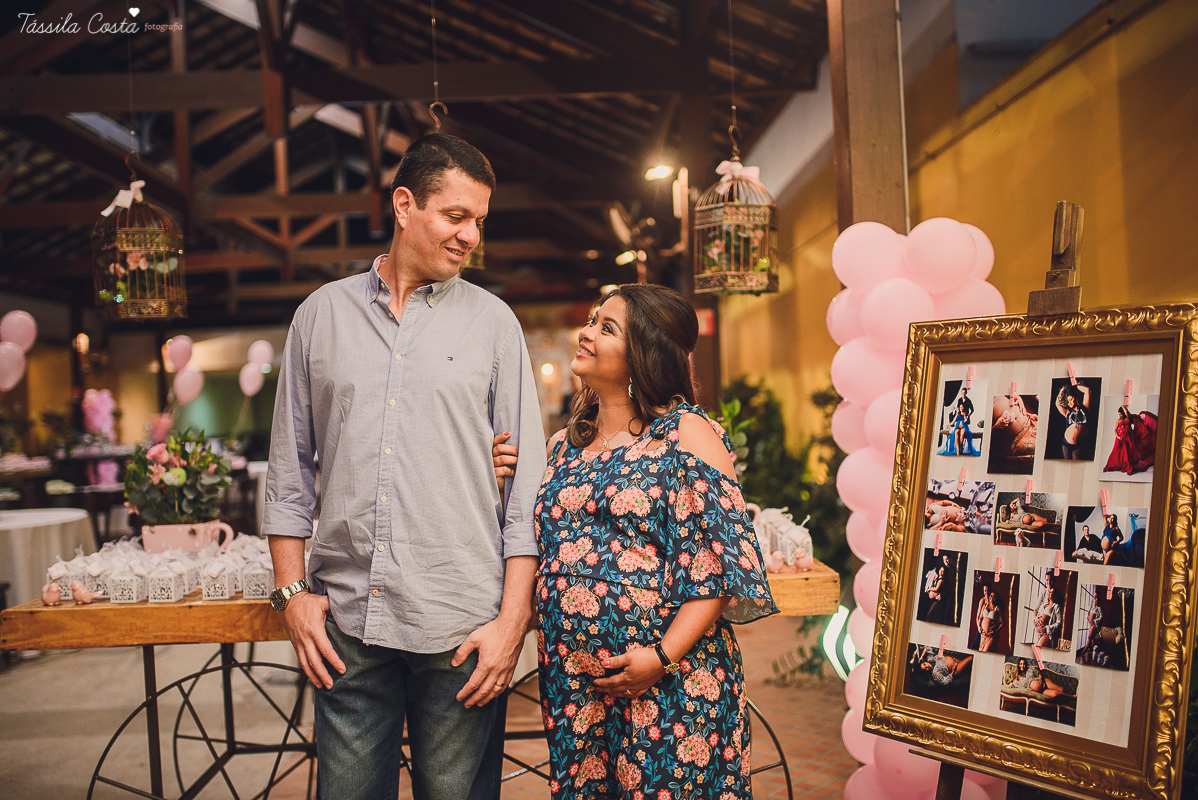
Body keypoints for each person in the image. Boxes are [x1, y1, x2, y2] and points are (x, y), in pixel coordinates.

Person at [263, 133, 547, 800]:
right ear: (403, 205)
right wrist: (290, 595)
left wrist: (512, 625)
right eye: (456, 215)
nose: (471, 235)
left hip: (461, 626)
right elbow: (288, 472)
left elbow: (525, 493)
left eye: (479, 220)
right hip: (348, 624)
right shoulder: (319, 316)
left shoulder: (494, 325)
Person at [534, 284, 778, 799]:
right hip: (576, 691)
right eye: (592, 321)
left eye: (606, 327)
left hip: (670, 687)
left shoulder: (686, 434)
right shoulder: (562, 446)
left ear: (642, 354)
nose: (586, 334)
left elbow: (720, 565)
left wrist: (661, 657)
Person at [1103, 405, 1158, 475]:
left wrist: (1123, 406)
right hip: (1120, 439)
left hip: (1128, 438)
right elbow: (1115, 430)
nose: (1120, 416)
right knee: (1118, 452)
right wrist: (1118, 437)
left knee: (1128, 452)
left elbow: (1127, 412)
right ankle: (1116, 465)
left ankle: (1127, 465)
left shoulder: (1127, 419)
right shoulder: (1118, 421)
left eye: (1121, 414)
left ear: (1124, 414)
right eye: (1119, 414)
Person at [1055, 383, 1092, 460]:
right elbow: (1057, 404)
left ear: (1076, 399)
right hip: (1066, 444)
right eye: (1068, 401)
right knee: (1066, 463)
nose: (1070, 402)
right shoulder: (1067, 413)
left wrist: (1075, 385)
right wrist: (1062, 390)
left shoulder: (1085, 408)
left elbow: (1087, 390)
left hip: (1079, 444)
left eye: (1071, 399)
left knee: (1075, 464)